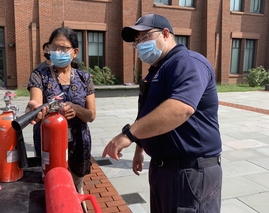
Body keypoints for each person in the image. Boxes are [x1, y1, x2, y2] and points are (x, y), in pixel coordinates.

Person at [102, 14, 222, 213]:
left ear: (165, 34)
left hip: (189, 172)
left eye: (145, 37)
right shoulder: (158, 69)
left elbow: (180, 108)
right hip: (165, 169)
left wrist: (129, 135)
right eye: (136, 41)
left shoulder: (187, 62)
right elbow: (149, 111)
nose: (139, 44)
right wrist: (140, 148)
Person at [26, 27, 96, 203]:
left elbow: (91, 115)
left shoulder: (84, 78)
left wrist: (77, 109)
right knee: (52, 189)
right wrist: (34, 109)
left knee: (76, 189)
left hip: (78, 143)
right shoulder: (39, 75)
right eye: (54, 47)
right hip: (50, 144)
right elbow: (36, 102)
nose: (58, 52)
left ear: (75, 52)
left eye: (64, 48)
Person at [32, 41, 53, 157]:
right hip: (44, 110)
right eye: (46, 50)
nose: (48, 52)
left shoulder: (62, 67)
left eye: (50, 49)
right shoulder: (39, 69)